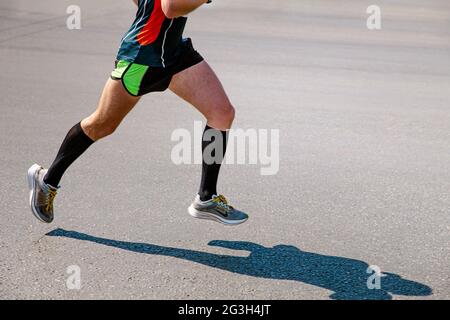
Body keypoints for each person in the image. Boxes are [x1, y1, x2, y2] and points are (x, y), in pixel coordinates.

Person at [27, 0, 248, 226]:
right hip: (142, 58)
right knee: (102, 124)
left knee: (221, 112)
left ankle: (206, 197)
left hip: (173, 53)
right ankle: (46, 180)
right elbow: (171, 7)